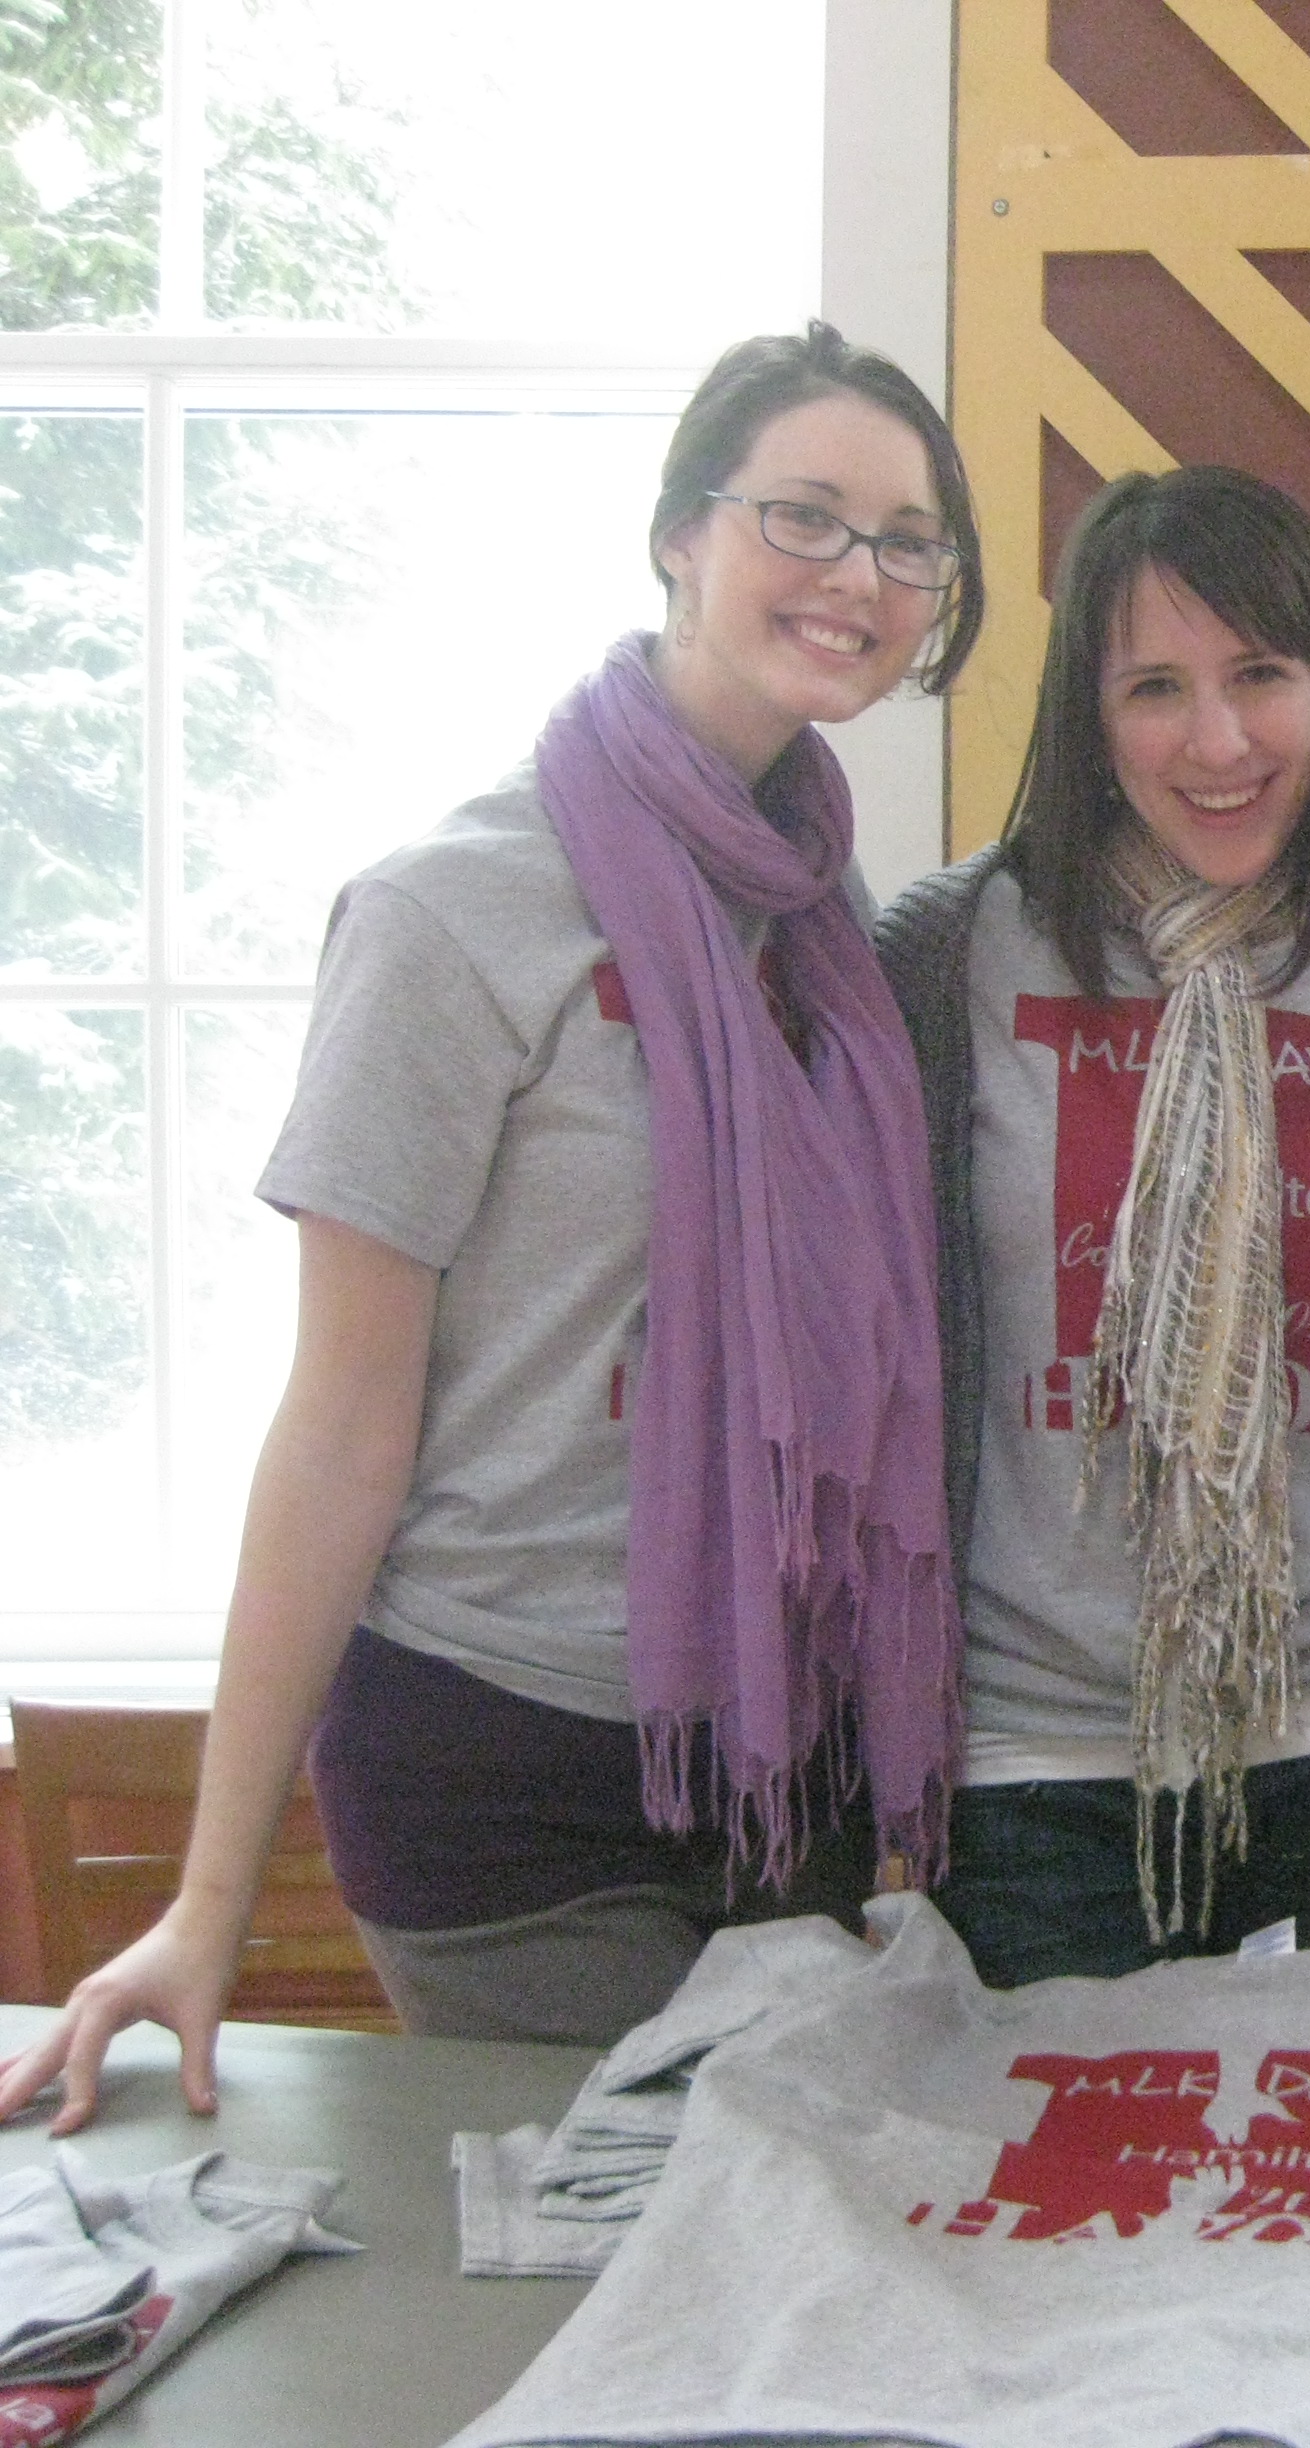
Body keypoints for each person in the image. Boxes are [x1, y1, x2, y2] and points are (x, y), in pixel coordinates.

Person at [0, 321, 985, 2131]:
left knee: (790, 2283)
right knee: (601, 2295)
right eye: (806, 515)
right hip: (504, 1764)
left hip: (791, 1766)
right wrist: (208, 1903)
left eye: (908, 540)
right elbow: (340, 1420)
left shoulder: (832, 931)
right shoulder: (454, 913)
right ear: (680, 535)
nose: (859, 573)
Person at [872, 466, 1310, 1984]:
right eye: (1156, 686)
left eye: (1260, 678)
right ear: (1088, 719)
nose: (1217, 742)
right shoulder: (946, 962)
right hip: (1035, 1762)